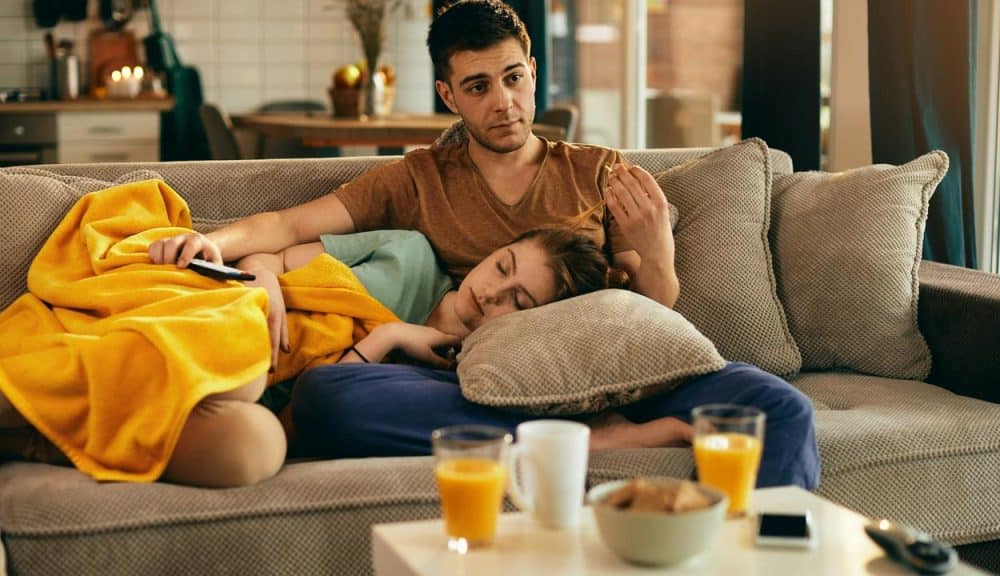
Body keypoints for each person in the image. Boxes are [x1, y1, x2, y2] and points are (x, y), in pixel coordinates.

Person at [148, 0, 820, 488]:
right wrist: (209, 240)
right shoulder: (418, 178)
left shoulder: (598, 171)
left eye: (513, 78)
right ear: (449, 94)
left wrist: (659, 257)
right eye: (477, 87)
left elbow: (651, 317)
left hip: (605, 377)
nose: (502, 102)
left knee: (779, 407)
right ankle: (598, 443)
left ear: (532, 71)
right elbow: (286, 226)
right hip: (472, 384)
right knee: (333, 401)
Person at [0, 222, 619, 488]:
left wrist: (390, 339)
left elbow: (321, 409)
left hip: (257, 397)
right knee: (241, 361)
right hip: (229, 322)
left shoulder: (465, 372)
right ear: (496, 247)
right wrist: (264, 288)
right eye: (503, 266)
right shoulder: (408, 252)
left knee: (256, 446)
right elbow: (267, 260)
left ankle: (38, 432)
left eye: (518, 299)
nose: (490, 290)